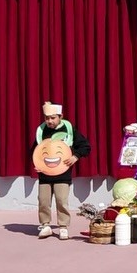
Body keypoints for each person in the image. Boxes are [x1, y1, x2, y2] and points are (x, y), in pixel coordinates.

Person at [32, 101, 91, 240]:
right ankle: (45, 225)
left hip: (63, 173)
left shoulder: (69, 129)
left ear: (60, 116)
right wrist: (37, 164)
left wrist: (75, 156)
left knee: (61, 200)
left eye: (53, 118)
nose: (50, 121)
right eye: (47, 118)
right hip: (44, 174)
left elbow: (85, 146)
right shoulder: (41, 131)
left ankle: (63, 226)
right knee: (43, 200)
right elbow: (35, 151)